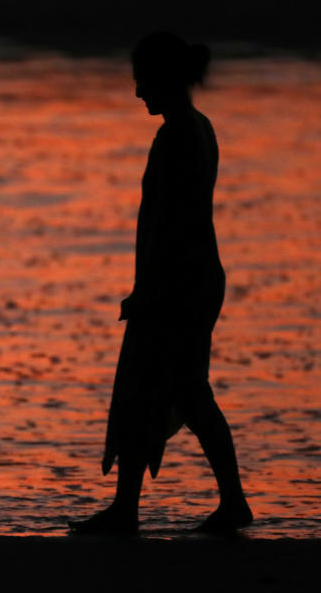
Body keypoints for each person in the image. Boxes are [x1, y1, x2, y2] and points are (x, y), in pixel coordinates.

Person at [70, 32, 253, 535]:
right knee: (163, 388)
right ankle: (133, 507)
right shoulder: (199, 128)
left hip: (179, 282)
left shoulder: (178, 137)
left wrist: (149, 288)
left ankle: (149, 508)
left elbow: (170, 224)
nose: (137, 94)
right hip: (193, 277)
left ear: (162, 79)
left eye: (141, 82)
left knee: (167, 388)